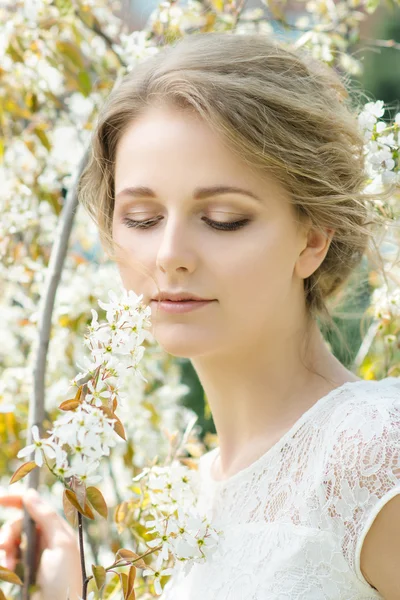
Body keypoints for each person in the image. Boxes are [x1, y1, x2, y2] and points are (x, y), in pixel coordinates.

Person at [1, 32, 400, 599]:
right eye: (141, 218)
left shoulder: (375, 454)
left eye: (223, 218)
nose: (170, 256)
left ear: (312, 238)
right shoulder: (190, 498)